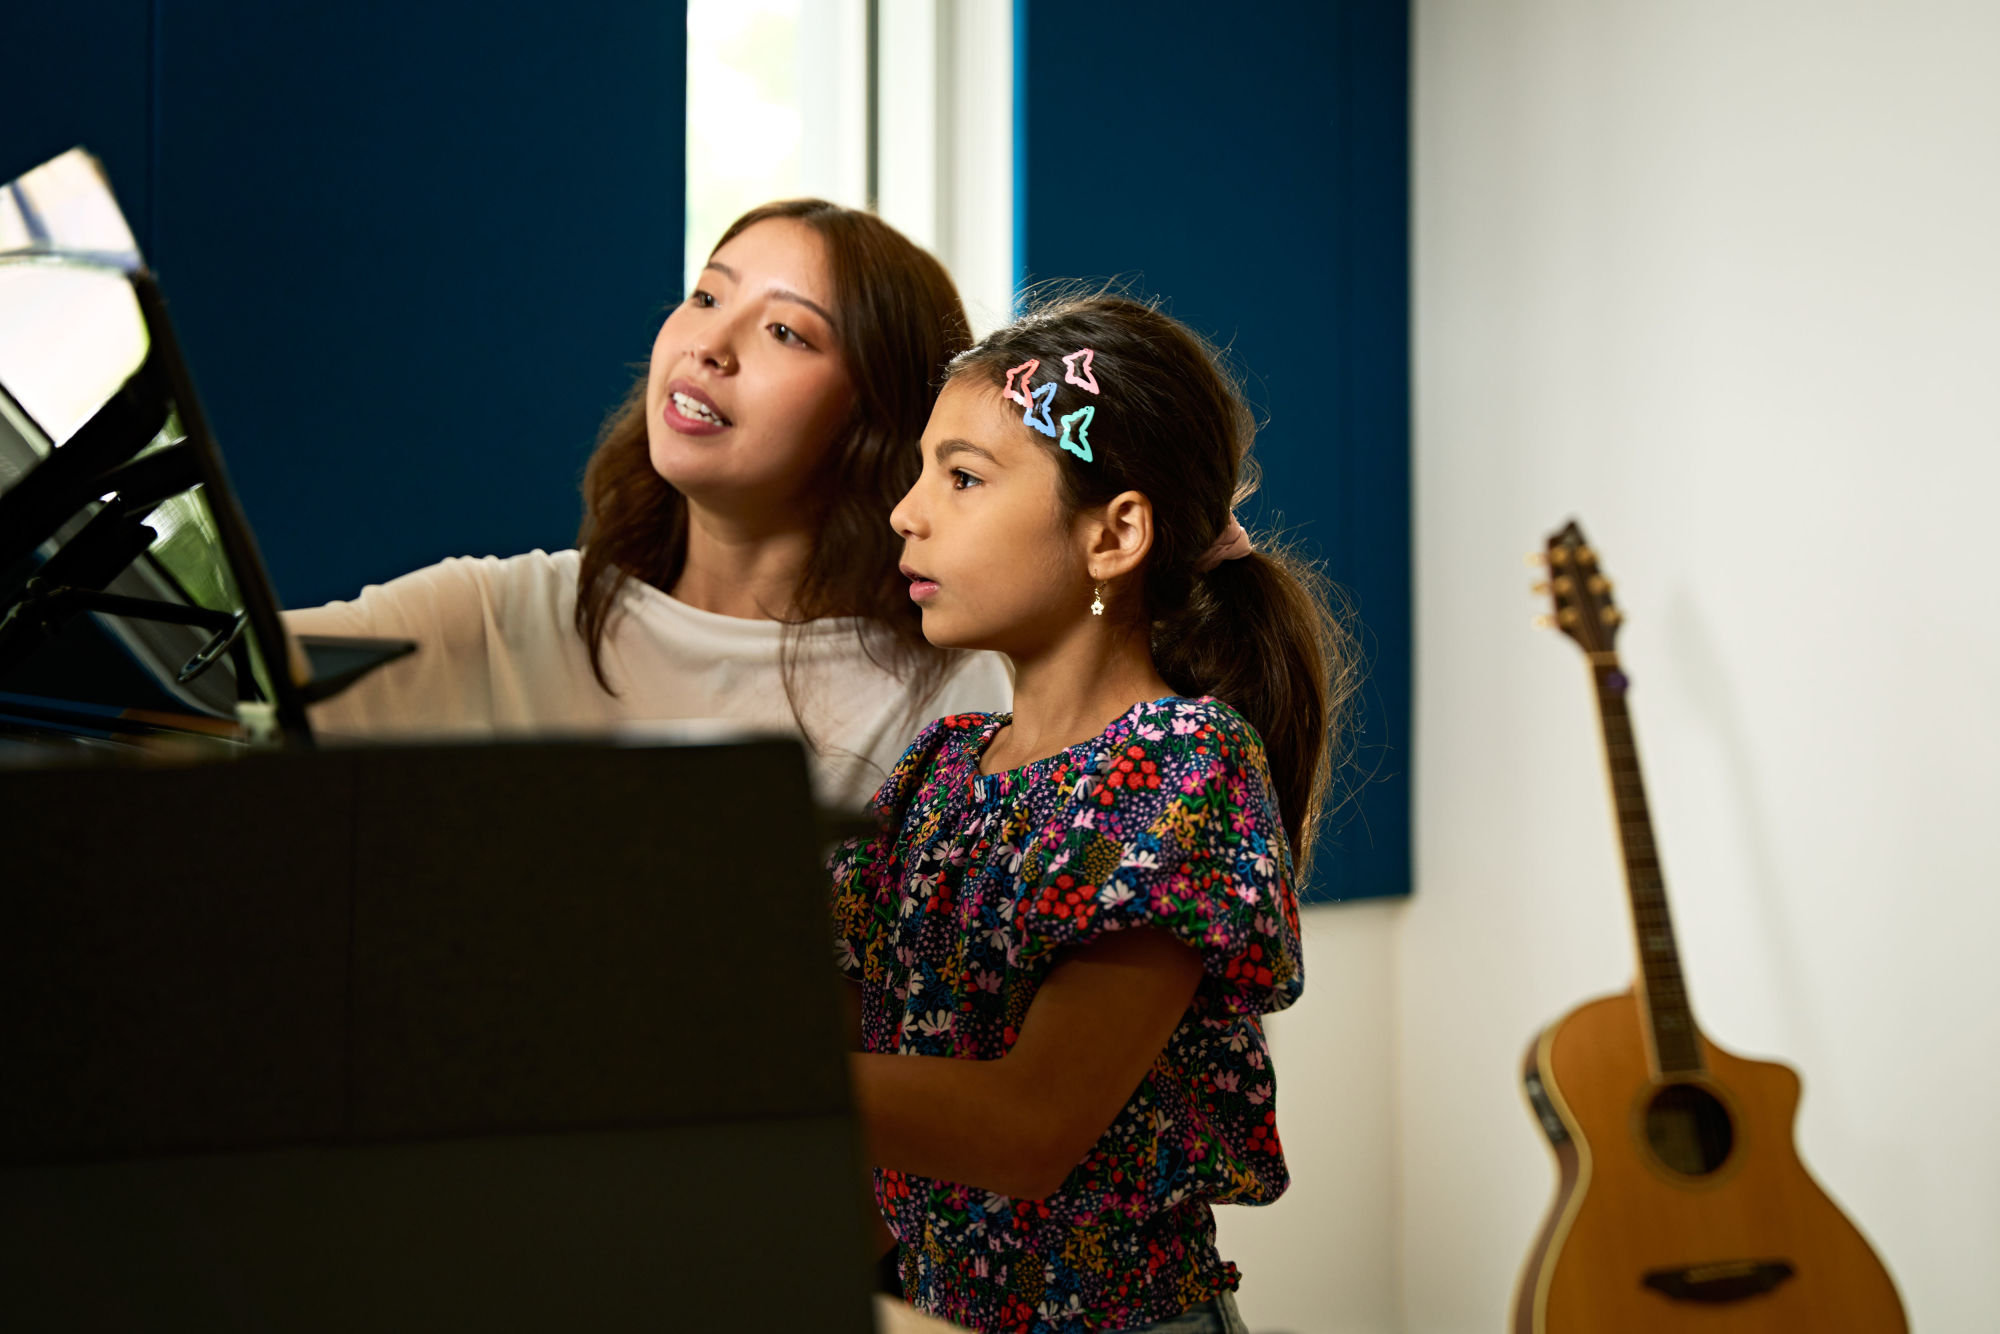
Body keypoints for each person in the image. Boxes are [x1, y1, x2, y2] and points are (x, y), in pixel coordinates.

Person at [832, 293, 1358, 1332]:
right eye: (922, 467)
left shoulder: (1180, 767)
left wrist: (741, 1076)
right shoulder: (936, 776)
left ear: (1114, 531)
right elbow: (870, 1112)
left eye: (964, 477)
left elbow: (1027, 1126)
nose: (907, 510)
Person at [285, 200, 1011, 808]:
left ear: (876, 422)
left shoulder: (961, 694)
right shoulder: (500, 616)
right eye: (706, 297)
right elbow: (199, 676)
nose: (710, 346)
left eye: (785, 332)